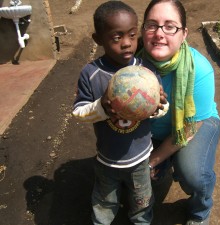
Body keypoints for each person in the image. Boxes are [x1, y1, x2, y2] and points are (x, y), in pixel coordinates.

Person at [72, 1, 168, 225]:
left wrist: (159, 106)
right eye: (117, 38)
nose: (126, 44)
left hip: (141, 158)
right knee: (104, 202)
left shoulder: (147, 72)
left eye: (132, 35)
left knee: (142, 201)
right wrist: (101, 107)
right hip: (108, 161)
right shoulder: (91, 74)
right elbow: (78, 112)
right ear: (98, 40)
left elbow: (163, 109)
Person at [138, 0, 220, 224]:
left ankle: (200, 210)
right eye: (152, 25)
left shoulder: (200, 69)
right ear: (143, 29)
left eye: (170, 26)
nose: (159, 33)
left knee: (193, 175)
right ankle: (164, 164)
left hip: (194, 124)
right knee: (133, 181)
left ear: (184, 33)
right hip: (149, 127)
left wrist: (152, 160)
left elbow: (189, 127)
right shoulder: (131, 63)